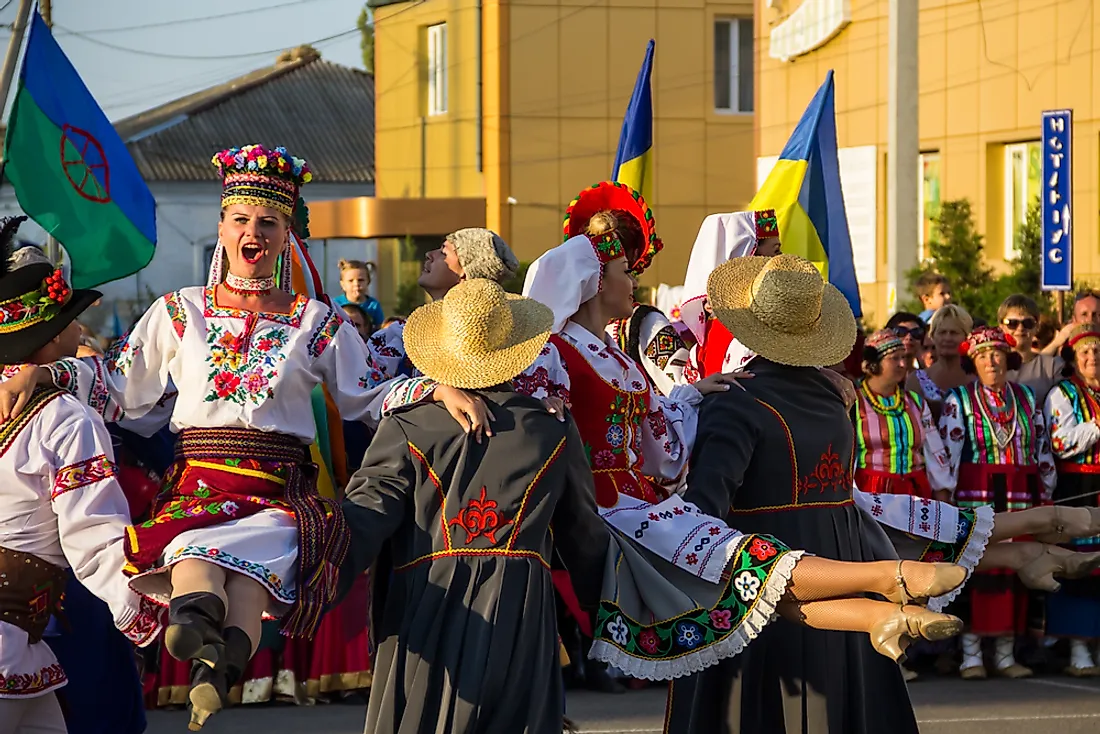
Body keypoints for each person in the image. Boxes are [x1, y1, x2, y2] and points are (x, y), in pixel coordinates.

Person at [342, 278, 972, 733]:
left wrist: (313, 571)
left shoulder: (409, 427)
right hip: (523, 604)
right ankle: (909, 578)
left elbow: (367, 518)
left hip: (429, 600)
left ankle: (902, 582)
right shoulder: (550, 431)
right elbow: (583, 538)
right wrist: (608, 611)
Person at [0, 145, 488, 730]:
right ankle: (199, 626)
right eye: (241, 219)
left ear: (287, 236)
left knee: (266, 552)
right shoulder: (179, 312)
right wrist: (49, 372)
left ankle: (221, 661)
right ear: (222, 227)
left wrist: (433, 390)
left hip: (276, 483)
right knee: (191, 549)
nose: (252, 231)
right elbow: (122, 387)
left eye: (268, 222)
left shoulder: (317, 323)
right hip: (198, 482)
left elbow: (365, 395)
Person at [665, 254, 936, 734]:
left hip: (775, 568)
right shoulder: (835, 397)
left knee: (763, 706)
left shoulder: (737, 401)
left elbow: (706, 507)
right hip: (840, 560)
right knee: (845, 700)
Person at [0, 216, 162, 732]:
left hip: (20, 642)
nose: (80, 329)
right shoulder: (65, 416)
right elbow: (93, 537)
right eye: (71, 319)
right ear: (48, 338)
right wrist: (151, 612)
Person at [941, 326, 1057, 680]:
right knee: (978, 570)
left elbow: (1041, 449)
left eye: (996, 354)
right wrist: (948, 498)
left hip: (1021, 493)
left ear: (1008, 358)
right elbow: (948, 456)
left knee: (1015, 571)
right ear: (972, 363)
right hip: (976, 494)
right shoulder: (957, 400)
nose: (991, 361)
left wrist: (1047, 492)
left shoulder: (1025, 398)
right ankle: (971, 656)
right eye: (982, 356)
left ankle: (1005, 655)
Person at [562, 181, 689, 395]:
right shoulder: (645, 324)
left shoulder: (559, 336)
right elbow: (683, 385)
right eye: (627, 272)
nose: (636, 283)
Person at [1045, 325, 1100, 676]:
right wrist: (1096, 426)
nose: (1093, 358)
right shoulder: (1062, 394)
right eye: (1086, 353)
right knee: (1081, 565)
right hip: (1078, 485)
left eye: (1098, 352)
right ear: (1074, 360)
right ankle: (1079, 646)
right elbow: (1060, 441)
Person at [679, 209, 781, 380]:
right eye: (776, 251)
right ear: (748, 258)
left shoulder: (704, 343)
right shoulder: (752, 336)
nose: (781, 259)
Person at [853, 329, 953, 502]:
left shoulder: (915, 402)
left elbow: (934, 450)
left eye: (904, 357)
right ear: (874, 363)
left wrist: (942, 491)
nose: (902, 364)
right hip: (870, 491)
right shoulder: (854, 403)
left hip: (914, 491)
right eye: (894, 358)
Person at [907, 304, 974, 421]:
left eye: (954, 333)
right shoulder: (917, 380)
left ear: (966, 337)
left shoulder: (977, 378)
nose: (947, 338)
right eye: (942, 332)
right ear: (932, 336)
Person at [1000, 294, 1062, 401]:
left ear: (1037, 327)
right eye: (1012, 323)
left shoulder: (1052, 367)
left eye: (1027, 323)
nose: (1020, 328)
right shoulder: (992, 365)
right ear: (1001, 327)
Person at [1044, 290, 1100, 355]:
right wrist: (1056, 343)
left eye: (1096, 315)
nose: (1090, 320)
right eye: (1084, 314)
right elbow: (1037, 364)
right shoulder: (1068, 352)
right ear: (1074, 320)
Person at [333, 258, 384, 329]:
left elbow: (379, 328)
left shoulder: (373, 306)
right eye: (351, 281)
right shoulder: (335, 305)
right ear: (342, 284)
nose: (356, 284)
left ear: (368, 282)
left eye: (361, 280)